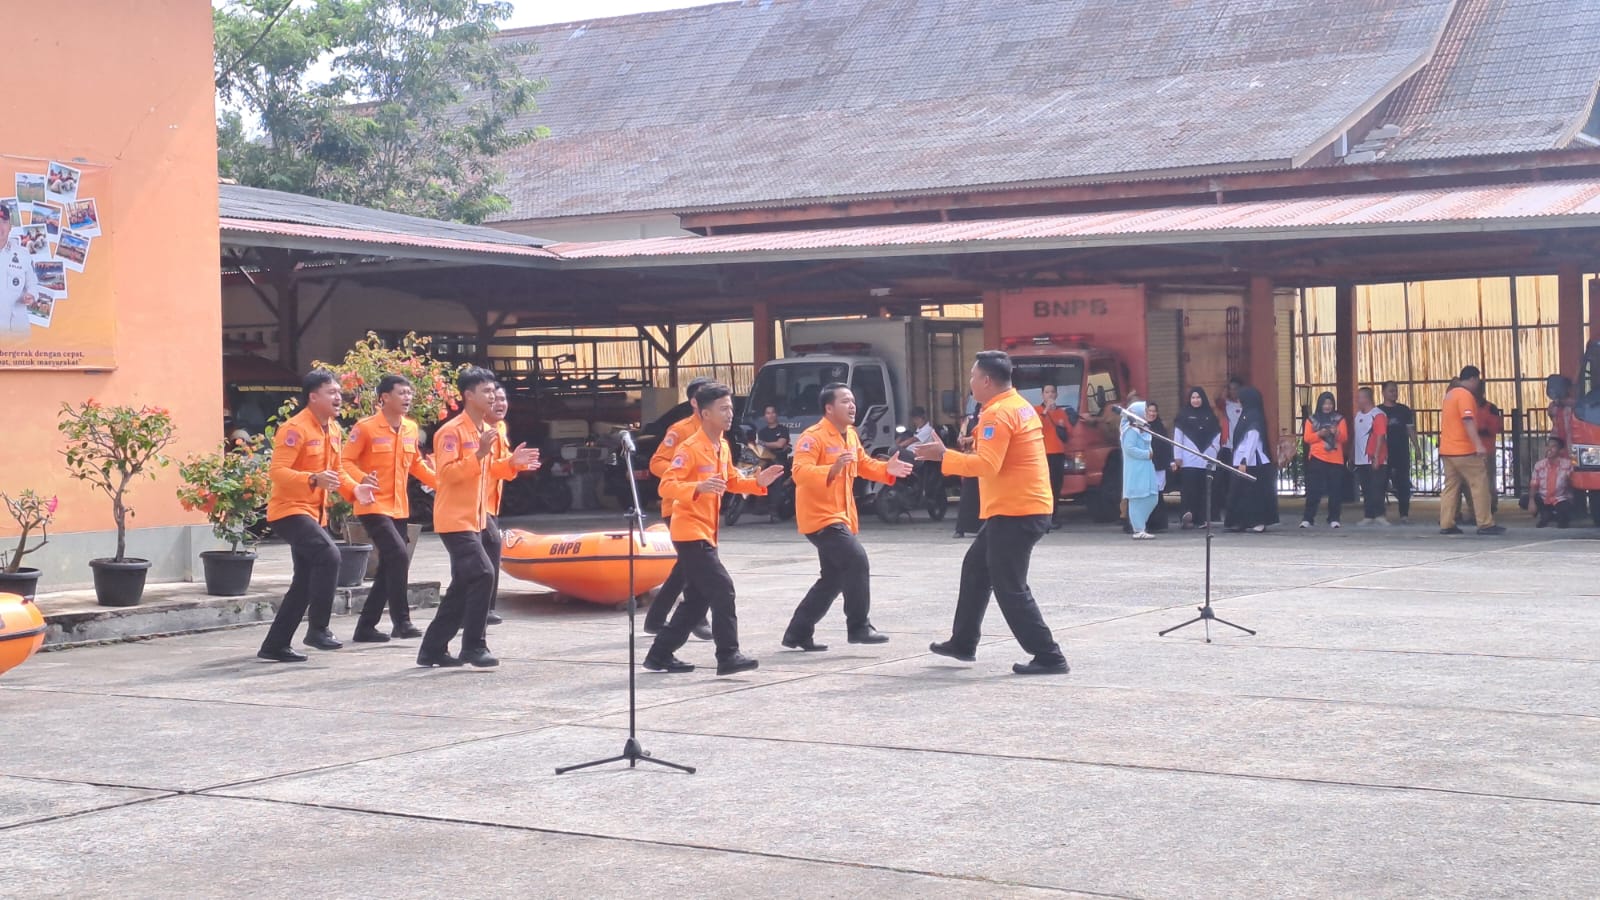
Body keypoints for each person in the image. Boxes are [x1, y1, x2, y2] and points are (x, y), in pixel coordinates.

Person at [913, 350, 1070, 676]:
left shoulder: (998, 414)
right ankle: (963, 642)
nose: (970, 383)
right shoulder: (1020, 406)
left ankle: (1049, 655)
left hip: (1016, 511)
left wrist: (945, 456)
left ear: (986, 380)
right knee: (975, 570)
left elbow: (987, 466)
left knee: (1010, 586)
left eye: (972, 377)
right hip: (1021, 506)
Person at [642, 383, 783, 676]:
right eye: (723, 409)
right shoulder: (690, 448)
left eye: (731, 408)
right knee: (723, 589)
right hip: (690, 532)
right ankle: (728, 655)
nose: (730, 413)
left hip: (706, 531)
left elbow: (732, 480)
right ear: (705, 413)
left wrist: (758, 482)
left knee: (697, 600)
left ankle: (659, 654)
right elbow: (666, 484)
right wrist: (698, 487)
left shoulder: (722, 446)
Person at [418, 367, 538, 668]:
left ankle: (432, 649)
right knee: (483, 574)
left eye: (493, 391)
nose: (492, 396)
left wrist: (510, 463)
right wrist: (479, 455)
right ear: (468, 395)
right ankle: (473, 645)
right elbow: (445, 475)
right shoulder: (451, 431)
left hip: (478, 518)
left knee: (463, 583)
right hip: (454, 520)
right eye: (485, 391)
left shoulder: (488, 430)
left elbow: (489, 471)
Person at [781, 383, 913, 651]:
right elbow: (800, 472)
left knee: (833, 579)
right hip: (821, 519)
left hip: (841, 516)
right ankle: (859, 626)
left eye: (852, 400)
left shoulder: (850, 435)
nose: (852, 406)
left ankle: (798, 632)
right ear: (829, 408)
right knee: (856, 561)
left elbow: (863, 464)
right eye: (845, 401)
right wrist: (832, 468)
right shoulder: (813, 437)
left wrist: (888, 469)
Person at [257, 370, 376, 662]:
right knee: (330, 555)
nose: (338, 397)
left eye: (339, 392)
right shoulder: (294, 429)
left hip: (314, 514)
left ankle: (275, 645)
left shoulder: (333, 430)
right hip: (289, 511)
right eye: (331, 392)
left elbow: (337, 473)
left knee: (304, 581)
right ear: (313, 397)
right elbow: (277, 472)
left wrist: (355, 490)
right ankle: (318, 629)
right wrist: (312, 479)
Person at [342, 374, 439, 642]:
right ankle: (402, 621)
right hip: (372, 504)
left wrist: (440, 483)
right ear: (384, 397)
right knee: (398, 555)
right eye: (402, 392)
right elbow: (345, 461)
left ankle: (365, 627)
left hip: (399, 507)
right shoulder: (365, 428)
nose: (408, 397)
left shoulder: (409, 428)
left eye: (410, 392)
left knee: (391, 564)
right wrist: (361, 479)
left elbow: (416, 464)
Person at [642, 378, 714, 640]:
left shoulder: (714, 430)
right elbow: (657, 462)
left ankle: (656, 619)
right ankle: (697, 617)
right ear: (695, 402)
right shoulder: (681, 429)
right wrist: (682, 476)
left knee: (685, 566)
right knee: (700, 566)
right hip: (679, 506)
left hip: (705, 508)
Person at [482, 384, 540, 626]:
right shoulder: (478, 432)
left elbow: (501, 467)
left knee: (491, 553)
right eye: (494, 399)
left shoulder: (501, 427)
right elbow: (485, 467)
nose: (499, 403)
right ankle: (478, 609)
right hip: (474, 504)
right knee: (485, 555)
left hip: (492, 503)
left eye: (503, 399)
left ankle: (486, 608)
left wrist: (516, 465)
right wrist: (511, 464)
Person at [1438, 365, 1505, 535]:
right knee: (1479, 485)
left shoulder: (1450, 395)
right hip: (1464, 450)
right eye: (1478, 380)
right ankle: (1485, 523)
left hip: (1447, 450)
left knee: (1450, 488)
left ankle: (1446, 523)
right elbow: (1467, 420)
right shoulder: (1465, 396)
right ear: (1473, 378)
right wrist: (1478, 444)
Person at [1224, 386, 1280, 533]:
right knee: (1240, 493)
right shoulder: (1246, 414)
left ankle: (1258, 521)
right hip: (1242, 460)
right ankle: (1240, 521)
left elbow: (1252, 439)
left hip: (1253, 462)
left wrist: (1244, 461)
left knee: (1255, 494)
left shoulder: (1254, 416)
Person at [1171, 386, 1222, 528]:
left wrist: (1213, 450)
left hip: (1206, 458)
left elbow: (1217, 435)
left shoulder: (1210, 415)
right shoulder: (1183, 415)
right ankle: (1187, 517)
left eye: (1198, 397)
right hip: (1188, 459)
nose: (1195, 400)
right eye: (1193, 397)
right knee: (1189, 489)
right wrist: (1177, 456)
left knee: (1204, 490)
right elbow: (1178, 437)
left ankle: (1202, 519)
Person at [1300, 391, 1348, 529]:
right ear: (1320, 404)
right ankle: (1308, 518)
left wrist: (1336, 432)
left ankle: (1334, 518)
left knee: (1335, 490)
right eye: (1325, 403)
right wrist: (1319, 434)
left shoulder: (1339, 419)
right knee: (1314, 490)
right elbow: (1307, 438)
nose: (1327, 406)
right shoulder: (1311, 419)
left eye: (1330, 403)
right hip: (1317, 457)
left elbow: (1344, 438)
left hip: (1335, 458)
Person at [1377, 381, 1420, 524]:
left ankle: (1404, 514)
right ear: (1383, 392)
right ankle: (1380, 514)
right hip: (1383, 452)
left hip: (1401, 452)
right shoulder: (1377, 411)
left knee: (1403, 484)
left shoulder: (1404, 410)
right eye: (1391, 391)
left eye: (1395, 391)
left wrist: (1417, 447)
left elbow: (1410, 430)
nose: (1394, 393)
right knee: (1381, 483)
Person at [1351, 387, 1389, 526]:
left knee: (1377, 487)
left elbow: (1380, 436)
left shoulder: (1378, 415)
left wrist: (1377, 456)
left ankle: (1380, 514)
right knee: (1366, 488)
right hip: (1360, 459)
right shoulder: (1358, 415)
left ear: (1367, 399)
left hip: (1374, 457)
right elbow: (1356, 437)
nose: (1357, 400)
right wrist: (1352, 455)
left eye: (1359, 398)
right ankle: (1368, 514)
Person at [1120, 400, 1158, 539]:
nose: (1148, 413)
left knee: (1152, 496)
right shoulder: (1130, 429)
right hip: (1136, 468)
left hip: (1146, 467)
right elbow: (1129, 449)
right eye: (1145, 410)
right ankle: (1138, 529)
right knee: (1136, 498)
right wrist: (1146, 454)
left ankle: (1142, 525)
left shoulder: (1143, 428)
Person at [1036, 384, 1072, 519]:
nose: (1050, 395)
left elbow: (1068, 432)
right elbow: (1037, 426)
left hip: (1058, 453)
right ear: (1043, 395)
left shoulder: (1061, 412)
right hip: (1043, 453)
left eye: (1052, 392)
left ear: (1056, 395)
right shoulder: (1037, 410)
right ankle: (1044, 515)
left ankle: (1054, 515)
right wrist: (1046, 410)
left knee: (1057, 485)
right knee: (1045, 485)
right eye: (1047, 392)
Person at [1, 203, 38, 335]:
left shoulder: (22, 254)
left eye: (4, 221)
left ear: (10, 226)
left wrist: (31, 295)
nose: (0, 226)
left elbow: (32, 284)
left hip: (17, 331)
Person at [1212, 377, 1244, 521]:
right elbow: (1216, 399)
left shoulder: (1246, 405)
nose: (1233, 391)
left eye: (1235, 388)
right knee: (1223, 480)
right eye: (1231, 389)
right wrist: (1223, 388)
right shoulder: (1227, 405)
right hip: (1227, 447)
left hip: (1241, 447)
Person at [953, 392, 981, 538]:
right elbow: (961, 437)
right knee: (967, 495)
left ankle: (982, 528)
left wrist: (971, 438)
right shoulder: (969, 420)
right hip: (971, 460)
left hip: (985, 460)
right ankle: (961, 528)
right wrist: (963, 439)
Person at [1530, 437, 1574, 528]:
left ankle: (1553, 516)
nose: (1549, 449)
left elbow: (1573, 484)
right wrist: (1531, 501)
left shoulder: (1568, 465)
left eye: (1553, 446)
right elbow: (1534, 484)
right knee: (1525, 500)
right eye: (1547, 446)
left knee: (1563, 523)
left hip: (1560, 498)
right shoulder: (1539, 465)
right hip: (1544, 498)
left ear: (1560, 450)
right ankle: (1546, 514)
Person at [1144, 401, 1170, 532]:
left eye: (1154, 411)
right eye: (1150, 411)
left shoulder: (1160, 427)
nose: (1152, 414)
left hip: (1159, 465)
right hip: (1145, 465)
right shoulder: (1140, 427)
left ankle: (1158, 523)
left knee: (1157, 493)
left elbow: (1166, 446)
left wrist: (1170, 462)